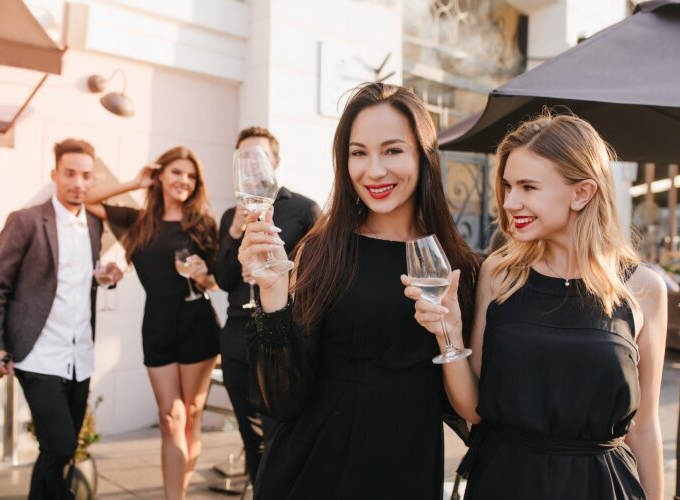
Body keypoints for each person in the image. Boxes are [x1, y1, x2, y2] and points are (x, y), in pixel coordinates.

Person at [237, 83, 481, 499]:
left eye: (392, 150)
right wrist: (274, 295)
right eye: (358, 152)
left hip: (406, 462)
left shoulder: (457, 265)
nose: (374, 170)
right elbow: (281, 400)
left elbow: (471, 409)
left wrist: (447, 335)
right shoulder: (322, 249)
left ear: (423, 154)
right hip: (313, 465)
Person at [404, 114, 667, 499]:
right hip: (505, 481)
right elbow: (473, 410)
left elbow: (644, 428)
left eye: (528, 187)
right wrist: (448, 332)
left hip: (600, 487)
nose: (510, 202)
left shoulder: (643, 288)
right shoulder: (499, 274)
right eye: (508, 185)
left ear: (582, 193)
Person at [0, 138, 123, 500]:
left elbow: (82, 277)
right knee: (61, 447)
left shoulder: (94, 226)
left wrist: (105, 275)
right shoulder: (25, 221)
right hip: (38, 353)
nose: (78, 183)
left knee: (56, 453)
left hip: (80, 356)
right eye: (70, 174)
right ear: (55, 175)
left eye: (86, 176)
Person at [84, 147, 220, 500]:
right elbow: (88, 199)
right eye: (176, 172)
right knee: (168, 417)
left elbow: (217, 280)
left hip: (196, 318)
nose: (184, 181)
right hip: (157, 321)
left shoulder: (202, 223)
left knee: (190, 413)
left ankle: (181, 492)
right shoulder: (137, 221)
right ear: (160, 175)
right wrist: (133, 180)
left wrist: (205, 276)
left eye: (191, 176)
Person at [214, 126, 320, 484]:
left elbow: (317, 275)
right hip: (234, 336)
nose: (253, 168)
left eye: (260, 156)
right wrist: (233, 234)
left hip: (279, 336)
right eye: (244, 159)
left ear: (275, 160)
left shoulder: (304, 209)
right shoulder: (231, 216)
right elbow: (222, 278)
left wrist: (275, 277)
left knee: (281, 435)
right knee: (250, 438)